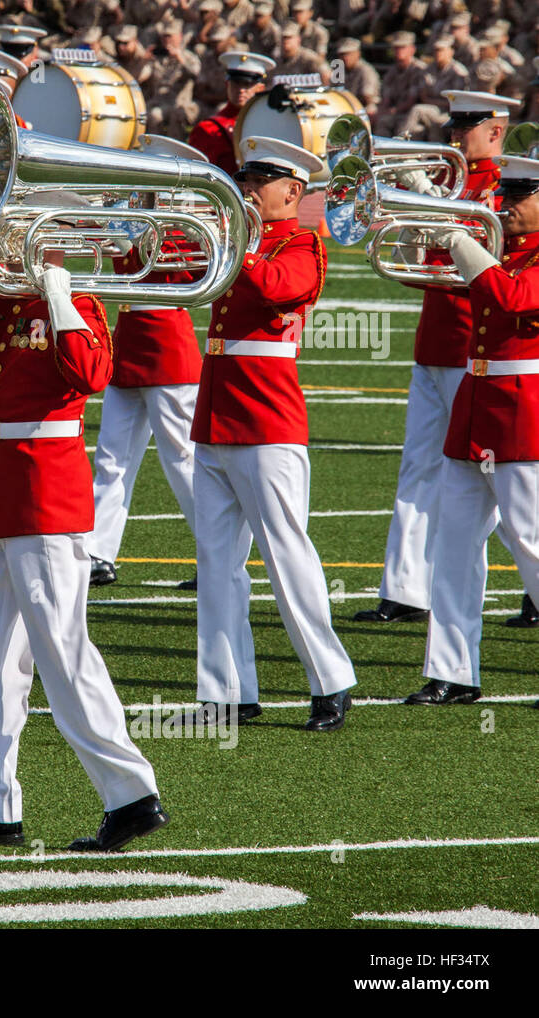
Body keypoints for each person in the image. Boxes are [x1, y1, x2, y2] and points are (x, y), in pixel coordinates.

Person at [0, 202, 169, 854]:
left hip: (48, 497)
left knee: (62, 651)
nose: (3, 243)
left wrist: (57, 290)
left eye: (13, 233)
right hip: (6, 498)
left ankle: (131, 793)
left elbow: (90, 374)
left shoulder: (76, 301)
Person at [192, 136, 357, 731]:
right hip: (214, 412)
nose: (246, 190)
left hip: (265, 417)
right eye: (244, 179)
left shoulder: (303, 244)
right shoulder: (243, 237)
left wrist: (233, 235)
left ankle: (330, 681)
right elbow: (170, 267)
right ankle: (227, 689)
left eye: (257, 182)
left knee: (287, 555)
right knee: (216, 561)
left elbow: (271, 288)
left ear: (291, 191)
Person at [352, 92, 524, 624]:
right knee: (419, 466)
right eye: (454, 125)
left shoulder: (506, 186)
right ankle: (405, 589)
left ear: (494, 131)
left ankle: (533, 588)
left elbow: (490, 265)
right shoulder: (459, 181)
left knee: (503, 483)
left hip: (478, 345)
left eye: (466, 127)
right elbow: (427, 257)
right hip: (436, 341)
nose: (454, 136)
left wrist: (430, 197)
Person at [409, 153, 539, 705]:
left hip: (522, 413)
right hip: (476, 407)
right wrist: (429, 211)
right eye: (506, 192)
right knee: (454, 546)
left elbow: (510, 298)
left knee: (532, 543)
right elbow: (470, 286)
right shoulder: (506, 251)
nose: (506, 203)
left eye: (522, 195)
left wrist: (458, 238)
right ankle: (452, 671)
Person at [87, 134, 206, 589]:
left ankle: (214, 552)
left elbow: (197, 273)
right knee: (112, 458)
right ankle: (98, 551)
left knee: (183, 459)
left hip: (168, 350)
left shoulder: (182, 227)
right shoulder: (127, 218)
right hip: (128, 345)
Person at [188, 51, 274, 177]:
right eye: (236, 83)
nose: (241, 90)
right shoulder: (207, 129)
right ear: (227, 84)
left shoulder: (271, 125)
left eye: (247, 84)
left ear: (260, 88)